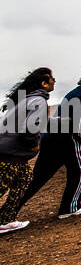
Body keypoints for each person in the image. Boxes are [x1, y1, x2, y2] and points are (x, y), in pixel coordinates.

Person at [19, 67, 81, 219]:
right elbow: (78, 122)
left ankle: (8, 211)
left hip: (51, 137)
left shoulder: (73, 93)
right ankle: (70, 207)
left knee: (38, 178)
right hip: (68, 138)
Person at [0, 67, 54, 235]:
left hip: (10, 151)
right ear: (44, 83)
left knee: (24, 179)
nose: (54, 82)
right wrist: (33, 144)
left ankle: (5, 220)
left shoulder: (25, 100)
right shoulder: (38, 100)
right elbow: (29, 128)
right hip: (10, 153)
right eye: (52, 80)